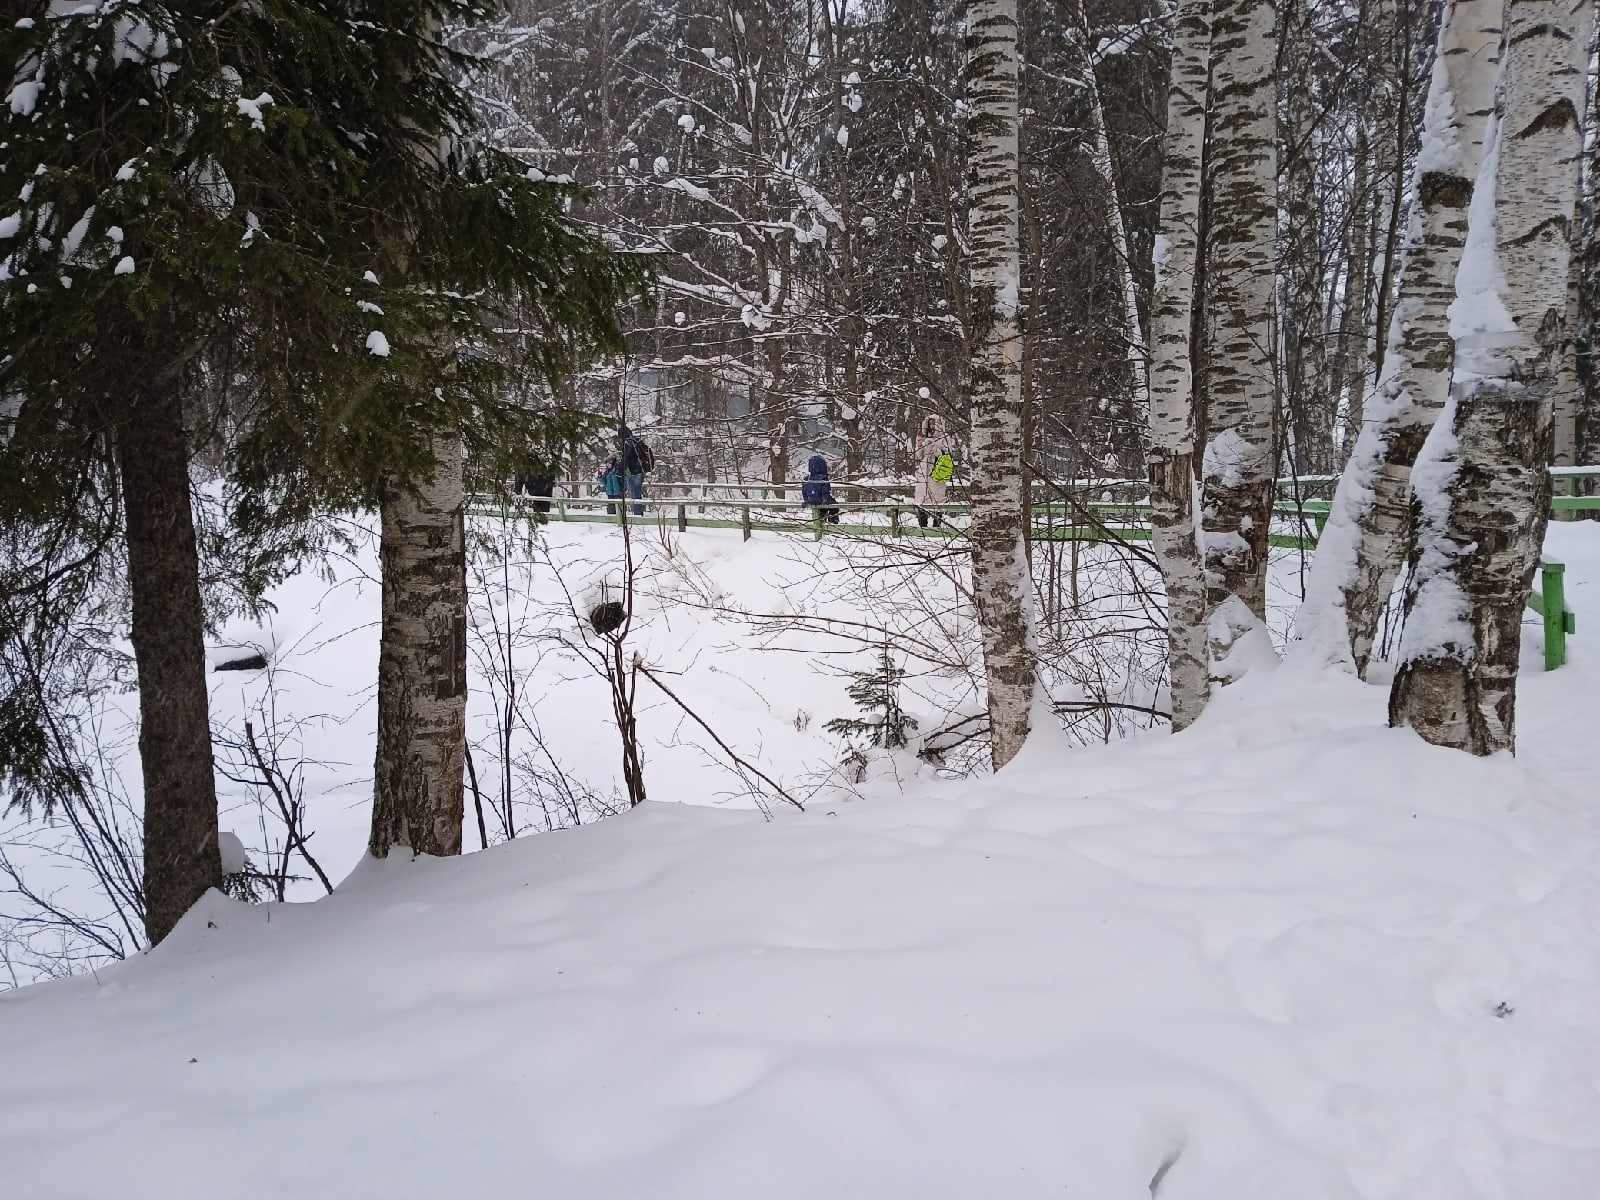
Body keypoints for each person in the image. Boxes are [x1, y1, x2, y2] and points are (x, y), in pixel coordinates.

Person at [914, 414, 954, 527]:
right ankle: (922, 527)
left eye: (933, 423)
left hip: (937, 471)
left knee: (937, 501)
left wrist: (932, 446)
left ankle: (937, 528)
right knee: (921, 502)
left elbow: (946, 455)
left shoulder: (945, 438)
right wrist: (918, 445)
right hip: (923, 472)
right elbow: (919, 456)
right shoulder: (925, 436)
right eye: (930, 423)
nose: (931, 426)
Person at [618, 425, 648, 517]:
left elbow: (626, 458)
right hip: (640, 470)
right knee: (637, 492)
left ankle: (638, 514)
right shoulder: (636, 441)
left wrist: (620, 470)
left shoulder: (628, 443)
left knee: (634, 493)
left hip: (633, 471)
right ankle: (639, 511)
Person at [802, 454, 840, 524]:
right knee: (834, 505)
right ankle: (833, 520)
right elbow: (825, 491)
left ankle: (821, 518)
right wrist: (825, 499)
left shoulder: (807, 479)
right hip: (821, 500)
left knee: (821, 508)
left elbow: (804, 491)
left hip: (811, 500)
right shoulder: (823, 478)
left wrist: (806, 500)